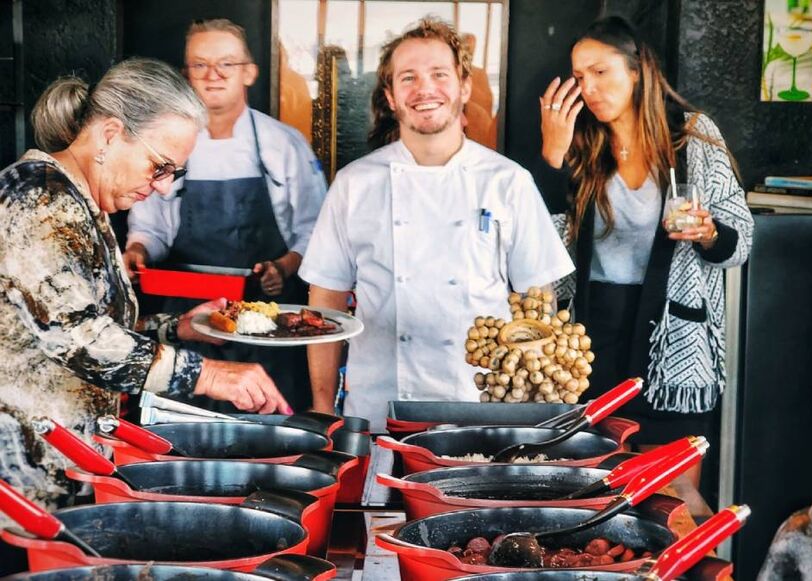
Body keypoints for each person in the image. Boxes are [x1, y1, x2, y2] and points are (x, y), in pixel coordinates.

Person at [0, 58, 291, 574]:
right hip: (21, 487)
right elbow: (79, 338)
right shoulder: (38, 197)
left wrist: (177, 327)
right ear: (111, 134)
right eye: (159, 166)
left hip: (68, 474)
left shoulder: (85, 203)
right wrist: (208, 374)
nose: (161, 187)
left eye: (172, 175)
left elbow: (88, 325)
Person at [299, 18, 574, 431]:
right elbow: (326, 298)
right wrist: (323, 406)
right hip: (377, 407)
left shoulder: (508, 182)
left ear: (464, 86)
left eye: (439, 74)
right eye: (407, 78)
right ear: (390, 96)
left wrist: (529, 403)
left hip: (478, 406)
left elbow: (538, 302)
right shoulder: (354, 184)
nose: (424, 89)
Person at [532, 16, 754, 484]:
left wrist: (710, 234)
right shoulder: (581, 143)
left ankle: (691, 560)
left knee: (675, 496)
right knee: (592, 487)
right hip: (591, 341)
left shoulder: (692, 137)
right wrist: (553, 158)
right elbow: (543, 247)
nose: (588, 87)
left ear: (636, 71)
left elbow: (741, 241)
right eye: (578, 77)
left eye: (600, 71)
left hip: (674, 341)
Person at [124, 19, 326, 412]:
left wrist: (283, 267)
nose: (212, 76)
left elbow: (314, 231)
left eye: (226, 65)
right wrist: (138, 250)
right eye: (200, 65)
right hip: (185, 321)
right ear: (186, 75)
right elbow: (150, 225)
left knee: (269, 432)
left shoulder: (283, 144)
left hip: (267, 329)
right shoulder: (166, 143)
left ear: (249, 72)